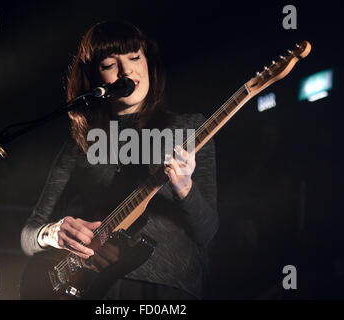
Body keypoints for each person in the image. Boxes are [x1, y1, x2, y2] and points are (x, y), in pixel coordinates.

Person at [21, 20, 219, 299]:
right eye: (110, 64)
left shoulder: (189, 129)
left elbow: (208, 232)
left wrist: (185, 188)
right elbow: (29, 234)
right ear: (94, 78)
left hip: (170, 291)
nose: (127, 70)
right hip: (95, 289)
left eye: (135, 57)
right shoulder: (79, 144)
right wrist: (53, 232)